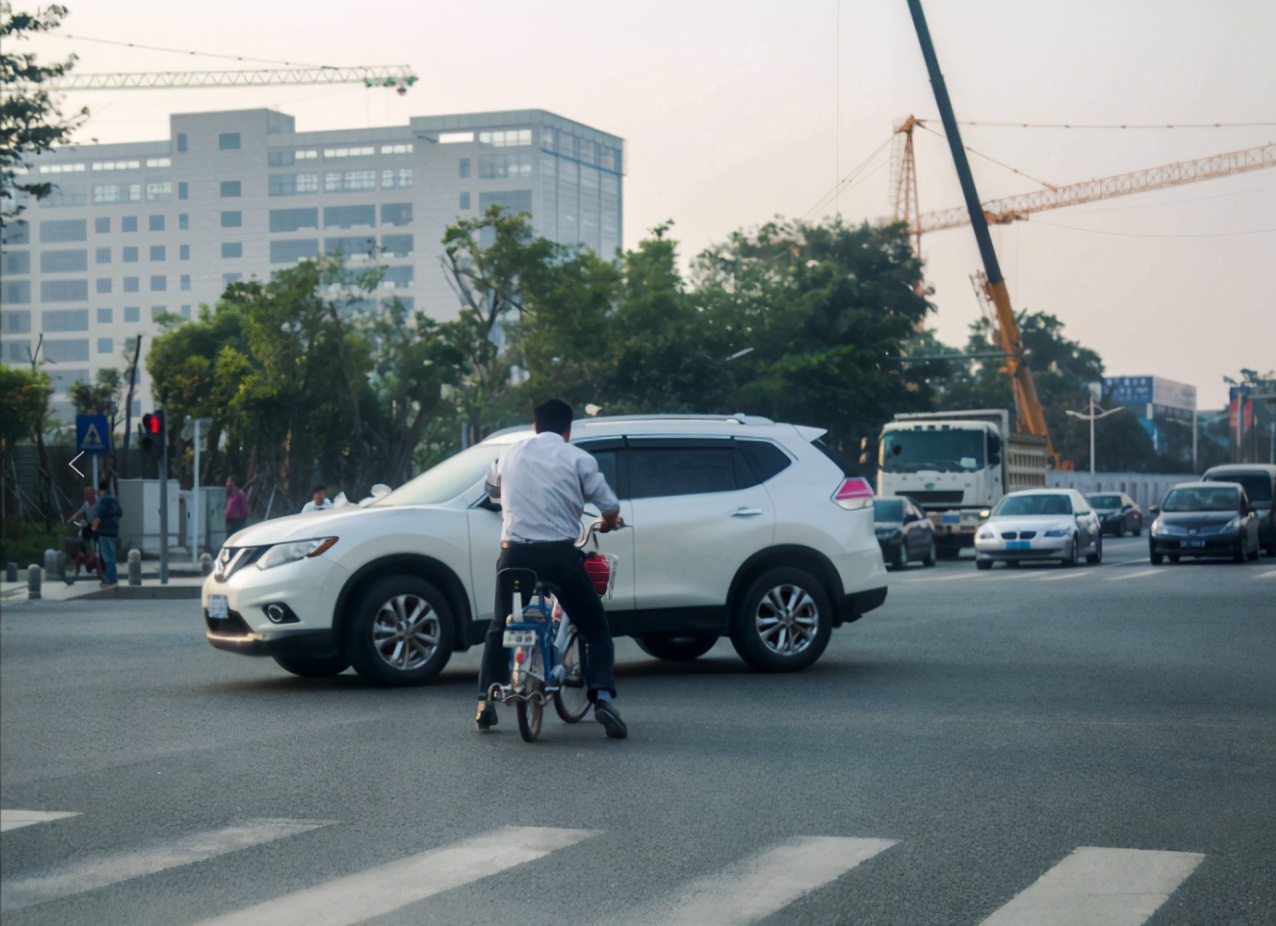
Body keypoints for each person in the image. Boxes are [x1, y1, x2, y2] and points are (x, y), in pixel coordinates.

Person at [475, 398, 628, 738]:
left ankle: (486, 700)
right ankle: (602, 696)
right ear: (567, 429)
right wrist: (608, 522)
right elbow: (609, 505)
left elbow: (492, 490)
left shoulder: (510, 453)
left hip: (515, 558)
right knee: (596, 630)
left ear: (535, 426)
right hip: (560, 559)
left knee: (500, 625)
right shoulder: (577, 458)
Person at [91, 476, 123, 589]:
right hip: (114, 530)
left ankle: (109, 579)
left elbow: (98, 516)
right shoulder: (114, 499)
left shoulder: (101, 500)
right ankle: (112, 577)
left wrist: (94, 529)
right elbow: (120, 513)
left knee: (106, 556)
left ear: (101, 490)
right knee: (112, 554)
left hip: (104, 531)